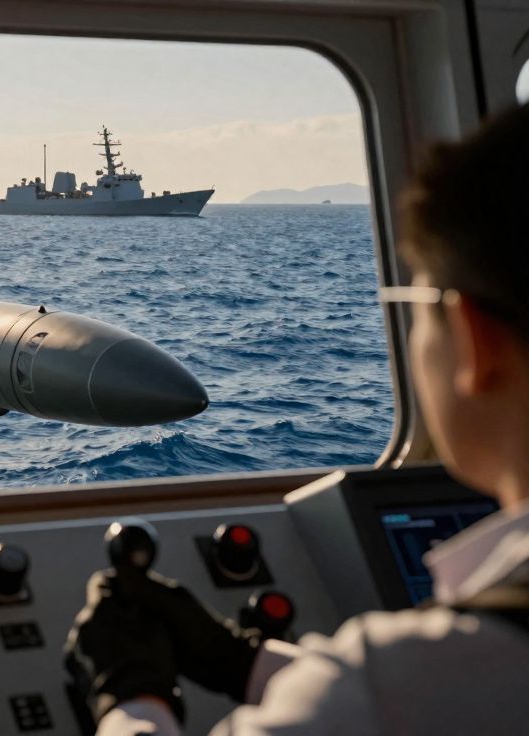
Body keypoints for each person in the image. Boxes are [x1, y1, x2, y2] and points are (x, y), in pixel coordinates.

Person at [66, 102, 529, 735]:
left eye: (416, 305)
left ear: (476, 341)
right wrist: (243, 665)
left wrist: (132, 697)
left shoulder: (385, 688)